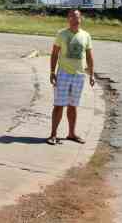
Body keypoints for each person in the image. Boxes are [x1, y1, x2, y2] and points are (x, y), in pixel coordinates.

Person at [48, 9, 95, 145]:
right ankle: (53, 135)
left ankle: (71, 134)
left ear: (81, 19)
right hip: (63, 74)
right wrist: (52, 72)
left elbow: (89, 56)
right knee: (59, 105)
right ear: (68, 19)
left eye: (77, 17)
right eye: (72, 17)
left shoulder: (86, 35)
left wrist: (91, 74)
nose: (75, 20)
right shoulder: (61, 34)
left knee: (73, 106)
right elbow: (54, 54)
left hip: (79, 75)